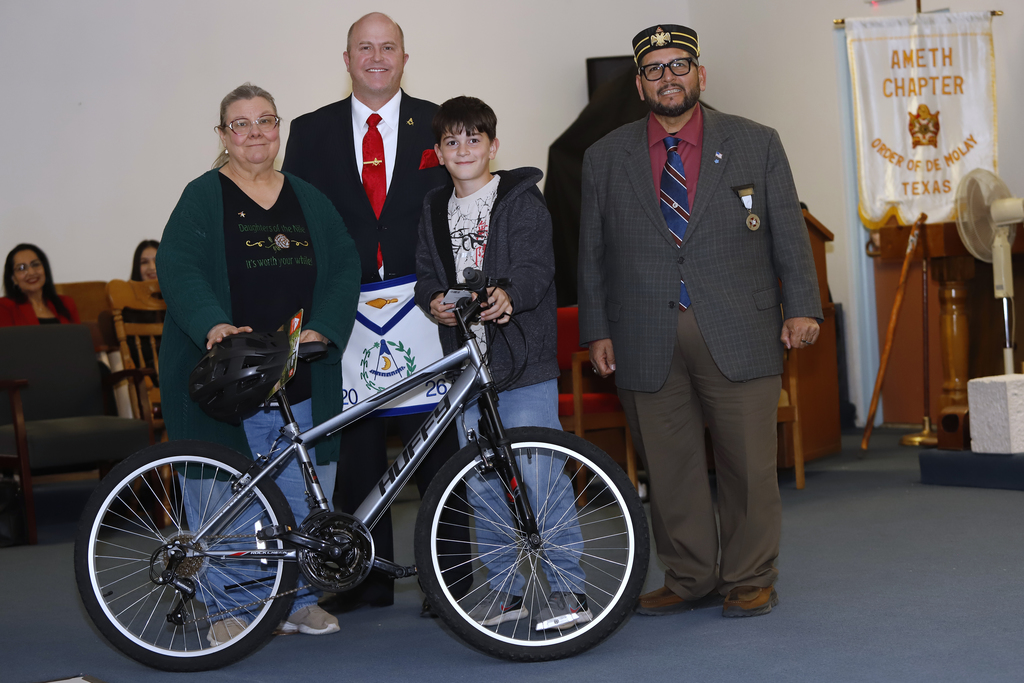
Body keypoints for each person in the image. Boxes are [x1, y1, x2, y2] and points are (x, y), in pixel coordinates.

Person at [578, 24, 822, 618]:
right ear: (640, 85)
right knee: (669, 468)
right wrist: (596, 329)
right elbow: (591, 254)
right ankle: (689, 577)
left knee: (749, 465)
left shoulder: (756, 142)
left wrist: (802, 306)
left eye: (679, 65)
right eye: (654, 69)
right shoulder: (604, 156)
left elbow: (789, 233)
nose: (668, 77)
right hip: (643, 333)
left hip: (740, 328)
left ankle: (749, 577)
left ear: (700, 75)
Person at [157, 82, 360, 642]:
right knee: (223, 499)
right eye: (240, 124)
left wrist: (326, 325)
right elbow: (178, 266)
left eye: (264, 120)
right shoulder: (203, 196)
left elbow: (345, 264)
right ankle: (229, 606)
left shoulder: (308, 198)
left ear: (278, 128)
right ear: (223, 136)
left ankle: (297, 600)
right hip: (226, 377)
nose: (254, 133)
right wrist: (213, 325)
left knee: (302, 492)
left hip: (300, 378)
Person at [282, 11, 464, 614]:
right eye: (365, 47)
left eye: (389, 47)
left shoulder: (439, 123)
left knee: (436, 448)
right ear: (347, 59)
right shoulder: (311, 132)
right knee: (356, 451)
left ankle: (449, 583)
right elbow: (300, 224)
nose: (377, 57)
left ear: (405, 58)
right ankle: (363, 581)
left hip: (425, 307)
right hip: (347, 311)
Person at [414, 96, 588, 628]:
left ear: (493, 146)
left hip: (523, 365)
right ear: (438, 153)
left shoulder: (521, 200)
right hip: (467, 370)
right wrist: (433, 301)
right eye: (452, 141)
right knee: (482, 481)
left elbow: (538, 267)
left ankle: (568, 590)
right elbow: (426, 273)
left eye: (474, 139)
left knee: (540, 476)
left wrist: (510, 294)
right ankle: (506, 591)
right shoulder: (433, 208)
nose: (463, 149)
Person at [1, 244, 80, 326]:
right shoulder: (4, 307)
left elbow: (78, 334)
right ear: (13, 278)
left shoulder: (67, 303)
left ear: (44, 269)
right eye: (21, 268)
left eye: (35, 264)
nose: (31, 272)